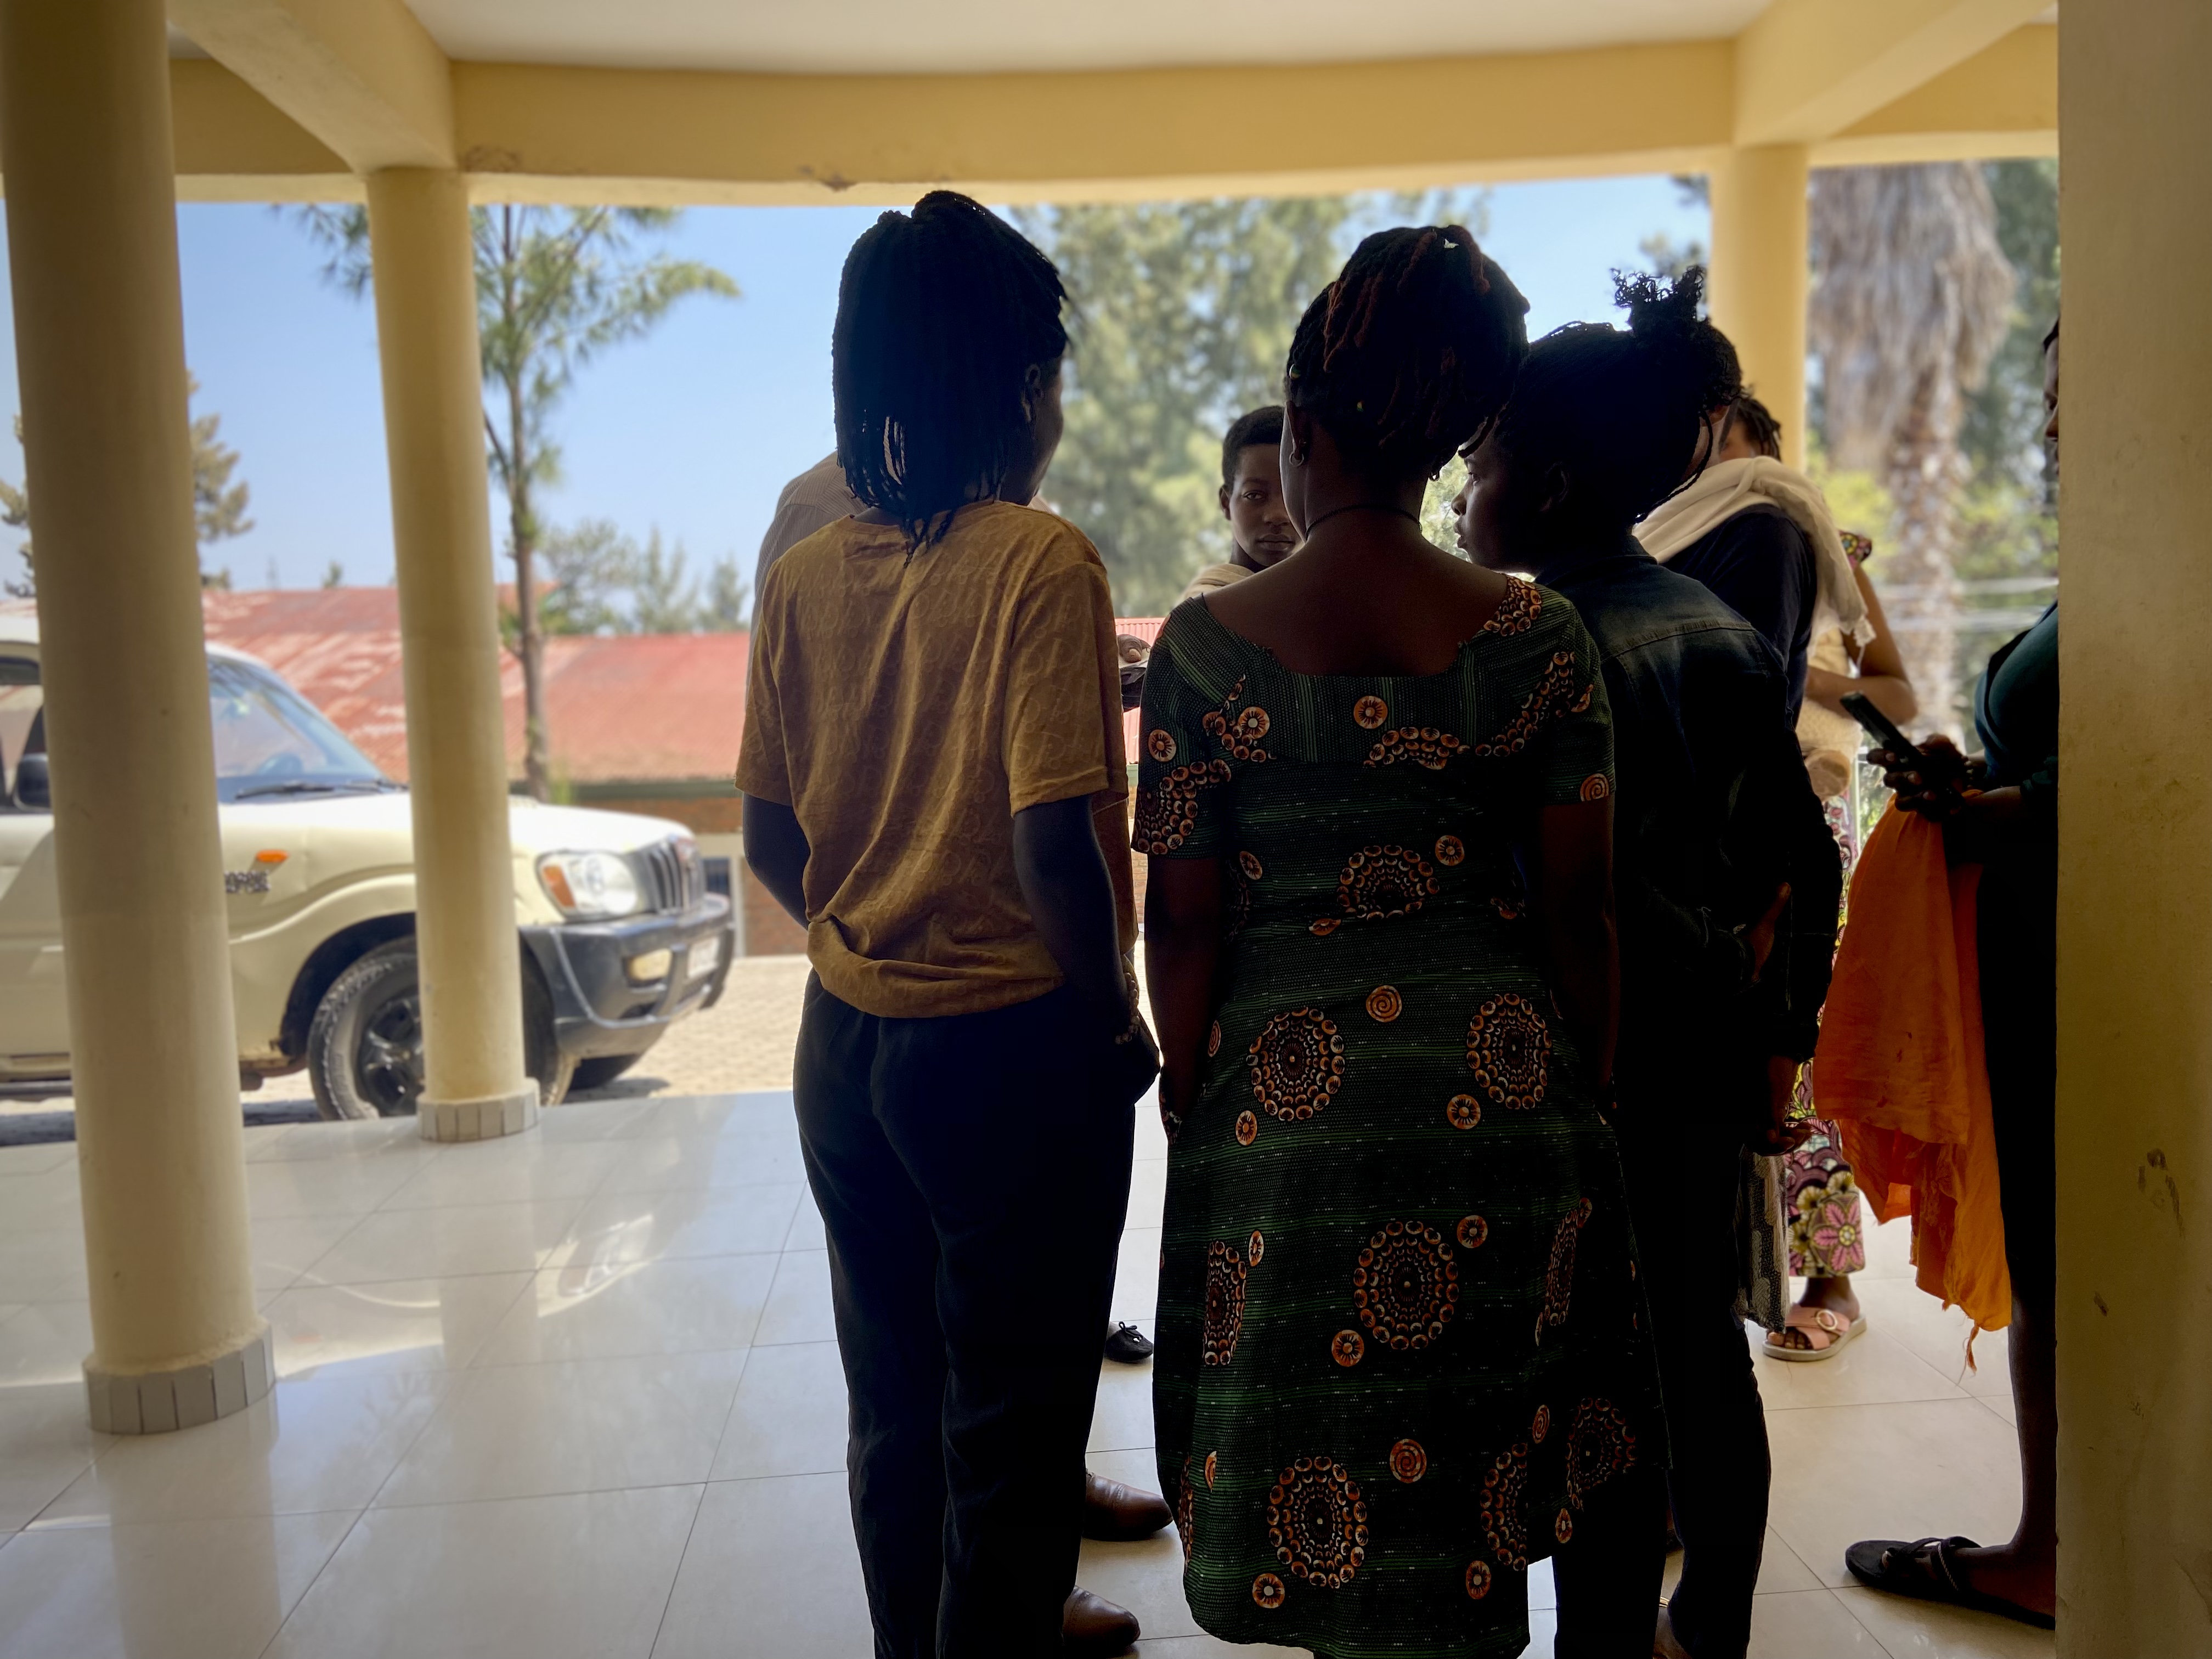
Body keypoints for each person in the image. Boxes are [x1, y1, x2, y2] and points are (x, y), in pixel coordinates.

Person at [1142, 225, 1664, 1659]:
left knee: (1340, 1508)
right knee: (1476, 1516)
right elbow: (1583, 910)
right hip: (1502, 1102)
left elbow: (1181, 923)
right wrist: (1588, 1085)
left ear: (1300, 432)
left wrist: (1201, 1092)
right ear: (1437, 445)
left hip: (1290, 1121)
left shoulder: (1198, 651)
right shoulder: (1537, 636)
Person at [737, 190, 1161, 1659]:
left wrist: (874, 938)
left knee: (895, 1414)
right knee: (1016, 1433)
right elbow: (1059, 844)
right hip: (1007, 1054)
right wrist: (1111, 1013)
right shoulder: (1040, 564)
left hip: (844, 1053)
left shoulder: (800, 575)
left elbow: (768, 836)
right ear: (1026, 386)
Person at [1456, 269, 1841, 1659]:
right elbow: (1808, 862)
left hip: (1573, 1066)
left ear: (1547, 485)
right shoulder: (1721, 633)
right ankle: (1715, 1626)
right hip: (1698, 1050)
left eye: (1479, 462)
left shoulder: (1525, 651)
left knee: (1589, 1382)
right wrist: (1778, 1032)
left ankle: (1606, 1637)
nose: (1462, 493)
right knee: (1697, 1353)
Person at [1843, 316, 2060, 1630]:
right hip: (2032, 949)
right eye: (2046, 400)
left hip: (2076, 963)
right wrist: (1986, 790)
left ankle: (2053, 1553)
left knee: (2065, 1255)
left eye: (2070, 398)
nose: (2048, 428)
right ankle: (2057, 1535)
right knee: (2048, 1254)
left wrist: (2013, 807)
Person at [1767, 528, 1916, 1360]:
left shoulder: (1829, 554)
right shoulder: (1665, 538)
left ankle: (1831, 1280)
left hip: (1811, 803)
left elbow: (1894, 695)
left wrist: (1800, 674)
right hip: (1701, 808)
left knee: (1808, 1043)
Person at [1178, 405, 1299, 602]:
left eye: (1291, 494)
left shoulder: (1326, 601)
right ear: (1226, 503)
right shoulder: (1201, 614)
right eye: (1255, 496)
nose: (1278, 515)